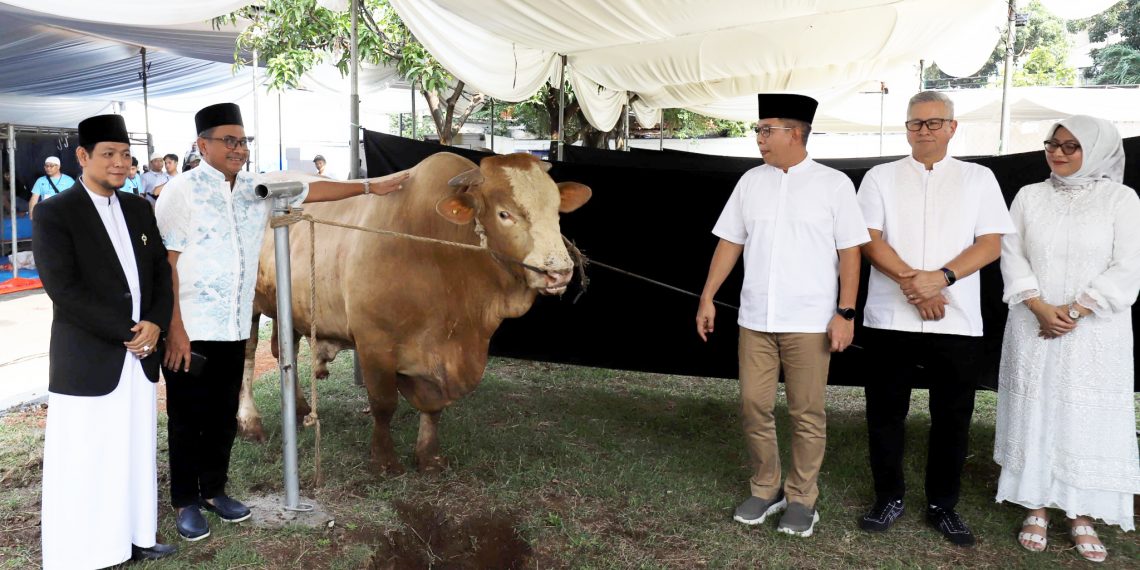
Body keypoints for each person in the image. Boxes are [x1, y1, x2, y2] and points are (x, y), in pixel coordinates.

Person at [155, 102, 409, 541]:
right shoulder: (181, 191)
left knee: (222, 415)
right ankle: (185, 501)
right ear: (203, 145)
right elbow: (167, 265)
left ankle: (214, 491)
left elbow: (314, 190)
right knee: (187, 417)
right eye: (229, 141)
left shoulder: (256, 188)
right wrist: (174, 330)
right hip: (190, 327)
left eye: (243, 141)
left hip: (235, 324)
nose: (239, 149)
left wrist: (371, 186)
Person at [696, 94, 868, 538]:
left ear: (795, 133)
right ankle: (766, 486)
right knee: (753, 405)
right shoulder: (750, 182)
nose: (759, 138)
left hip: (810, 321)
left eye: (766, 130)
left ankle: (802, 498)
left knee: (806, 412)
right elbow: (730, 242)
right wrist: (708, 296)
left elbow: (851, 253)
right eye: (758, 130)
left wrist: (846, 312)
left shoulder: (834, 185)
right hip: (755, 319)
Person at [855, 91, 1016, 547]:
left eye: (933, 122)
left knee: (953, 416)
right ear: (906, 128)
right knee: (885, 412)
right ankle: (888, 497)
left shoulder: (978, 178)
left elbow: (990, 243)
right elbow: (867, 238)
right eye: (916, 123)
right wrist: (915, 283)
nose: (923, 130)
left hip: (956, 317)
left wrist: (940, 279)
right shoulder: (880, 176)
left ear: (952, 127)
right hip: (891, 315)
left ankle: (943, 504)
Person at [994, 115, 1140, 562]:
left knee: (1085, 413)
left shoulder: (1121, 199)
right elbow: (1011, 253)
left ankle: (1081, 513)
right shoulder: (1029, 196)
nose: (1056, 153)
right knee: (1036, 405)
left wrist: (1076, 310)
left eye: (1070, 146)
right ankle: (1035, 503)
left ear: (1095, 150)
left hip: (1095, 329)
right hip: (1033, 322)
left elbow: (1128, 264)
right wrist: (1039, 306)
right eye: (1052, 144)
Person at [33, 114, 176, 568]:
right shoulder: (56, 213)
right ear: (82, 156)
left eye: (126, 154)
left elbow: (160, 273)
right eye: (108, 154)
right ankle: (87, 550)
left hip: (140, 354)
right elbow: (63, 289)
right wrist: (130, 332)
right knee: (88, 455)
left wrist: (155, 323)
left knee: (135, 449)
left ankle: (137, 536)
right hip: (90, 357)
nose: (120, 163)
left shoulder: (138, 208)